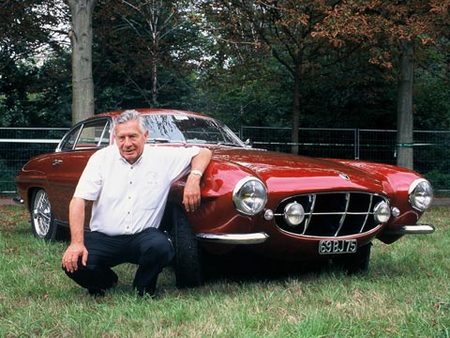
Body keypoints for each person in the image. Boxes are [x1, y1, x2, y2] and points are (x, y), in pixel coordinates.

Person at [61, 110, 212, 297]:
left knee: (161, 247)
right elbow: (78, 200)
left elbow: (203, 152)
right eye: (121, 138)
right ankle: (106, 281)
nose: (127, 144)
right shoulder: (100, 159)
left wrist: (194, 178)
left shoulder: (162, 157)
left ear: (145, 136)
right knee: (73, 264)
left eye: (133, 136)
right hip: (104, 236)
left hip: (143, 236)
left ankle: (143, 289)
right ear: (114, 138)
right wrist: (76, 243)